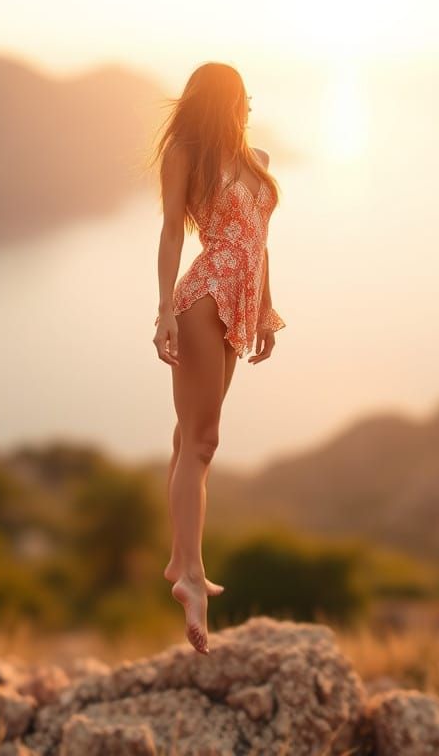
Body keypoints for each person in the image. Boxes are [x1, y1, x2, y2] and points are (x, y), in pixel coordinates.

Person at [150, 63, 286, 654]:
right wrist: (163, 313)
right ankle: (190, 576)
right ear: (222, 100)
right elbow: (173, 235)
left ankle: (179, 559)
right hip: (203, 299)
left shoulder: (255, 159)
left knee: (188, 438)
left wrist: (266, 311)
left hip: (240, 299)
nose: (249, 107)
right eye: (242, 98)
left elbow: (259, 242)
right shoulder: (186, 152)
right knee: (203, 442)